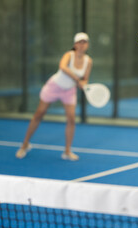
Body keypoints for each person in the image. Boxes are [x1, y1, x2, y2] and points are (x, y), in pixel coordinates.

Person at [16, 32, 93, 161]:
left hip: (69, 91)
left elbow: (85, 79)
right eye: (79, 42)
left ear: (87, 45)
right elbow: (62, 67)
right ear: (75, 44)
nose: (82, 45)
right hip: (54, 86)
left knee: (71, 119)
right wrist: (76, 79)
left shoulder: (88, 61)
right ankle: (25, 144)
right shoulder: (69, 55)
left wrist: (83, 83)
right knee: (39, 114)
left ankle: (67, 151)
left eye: (84, 42)